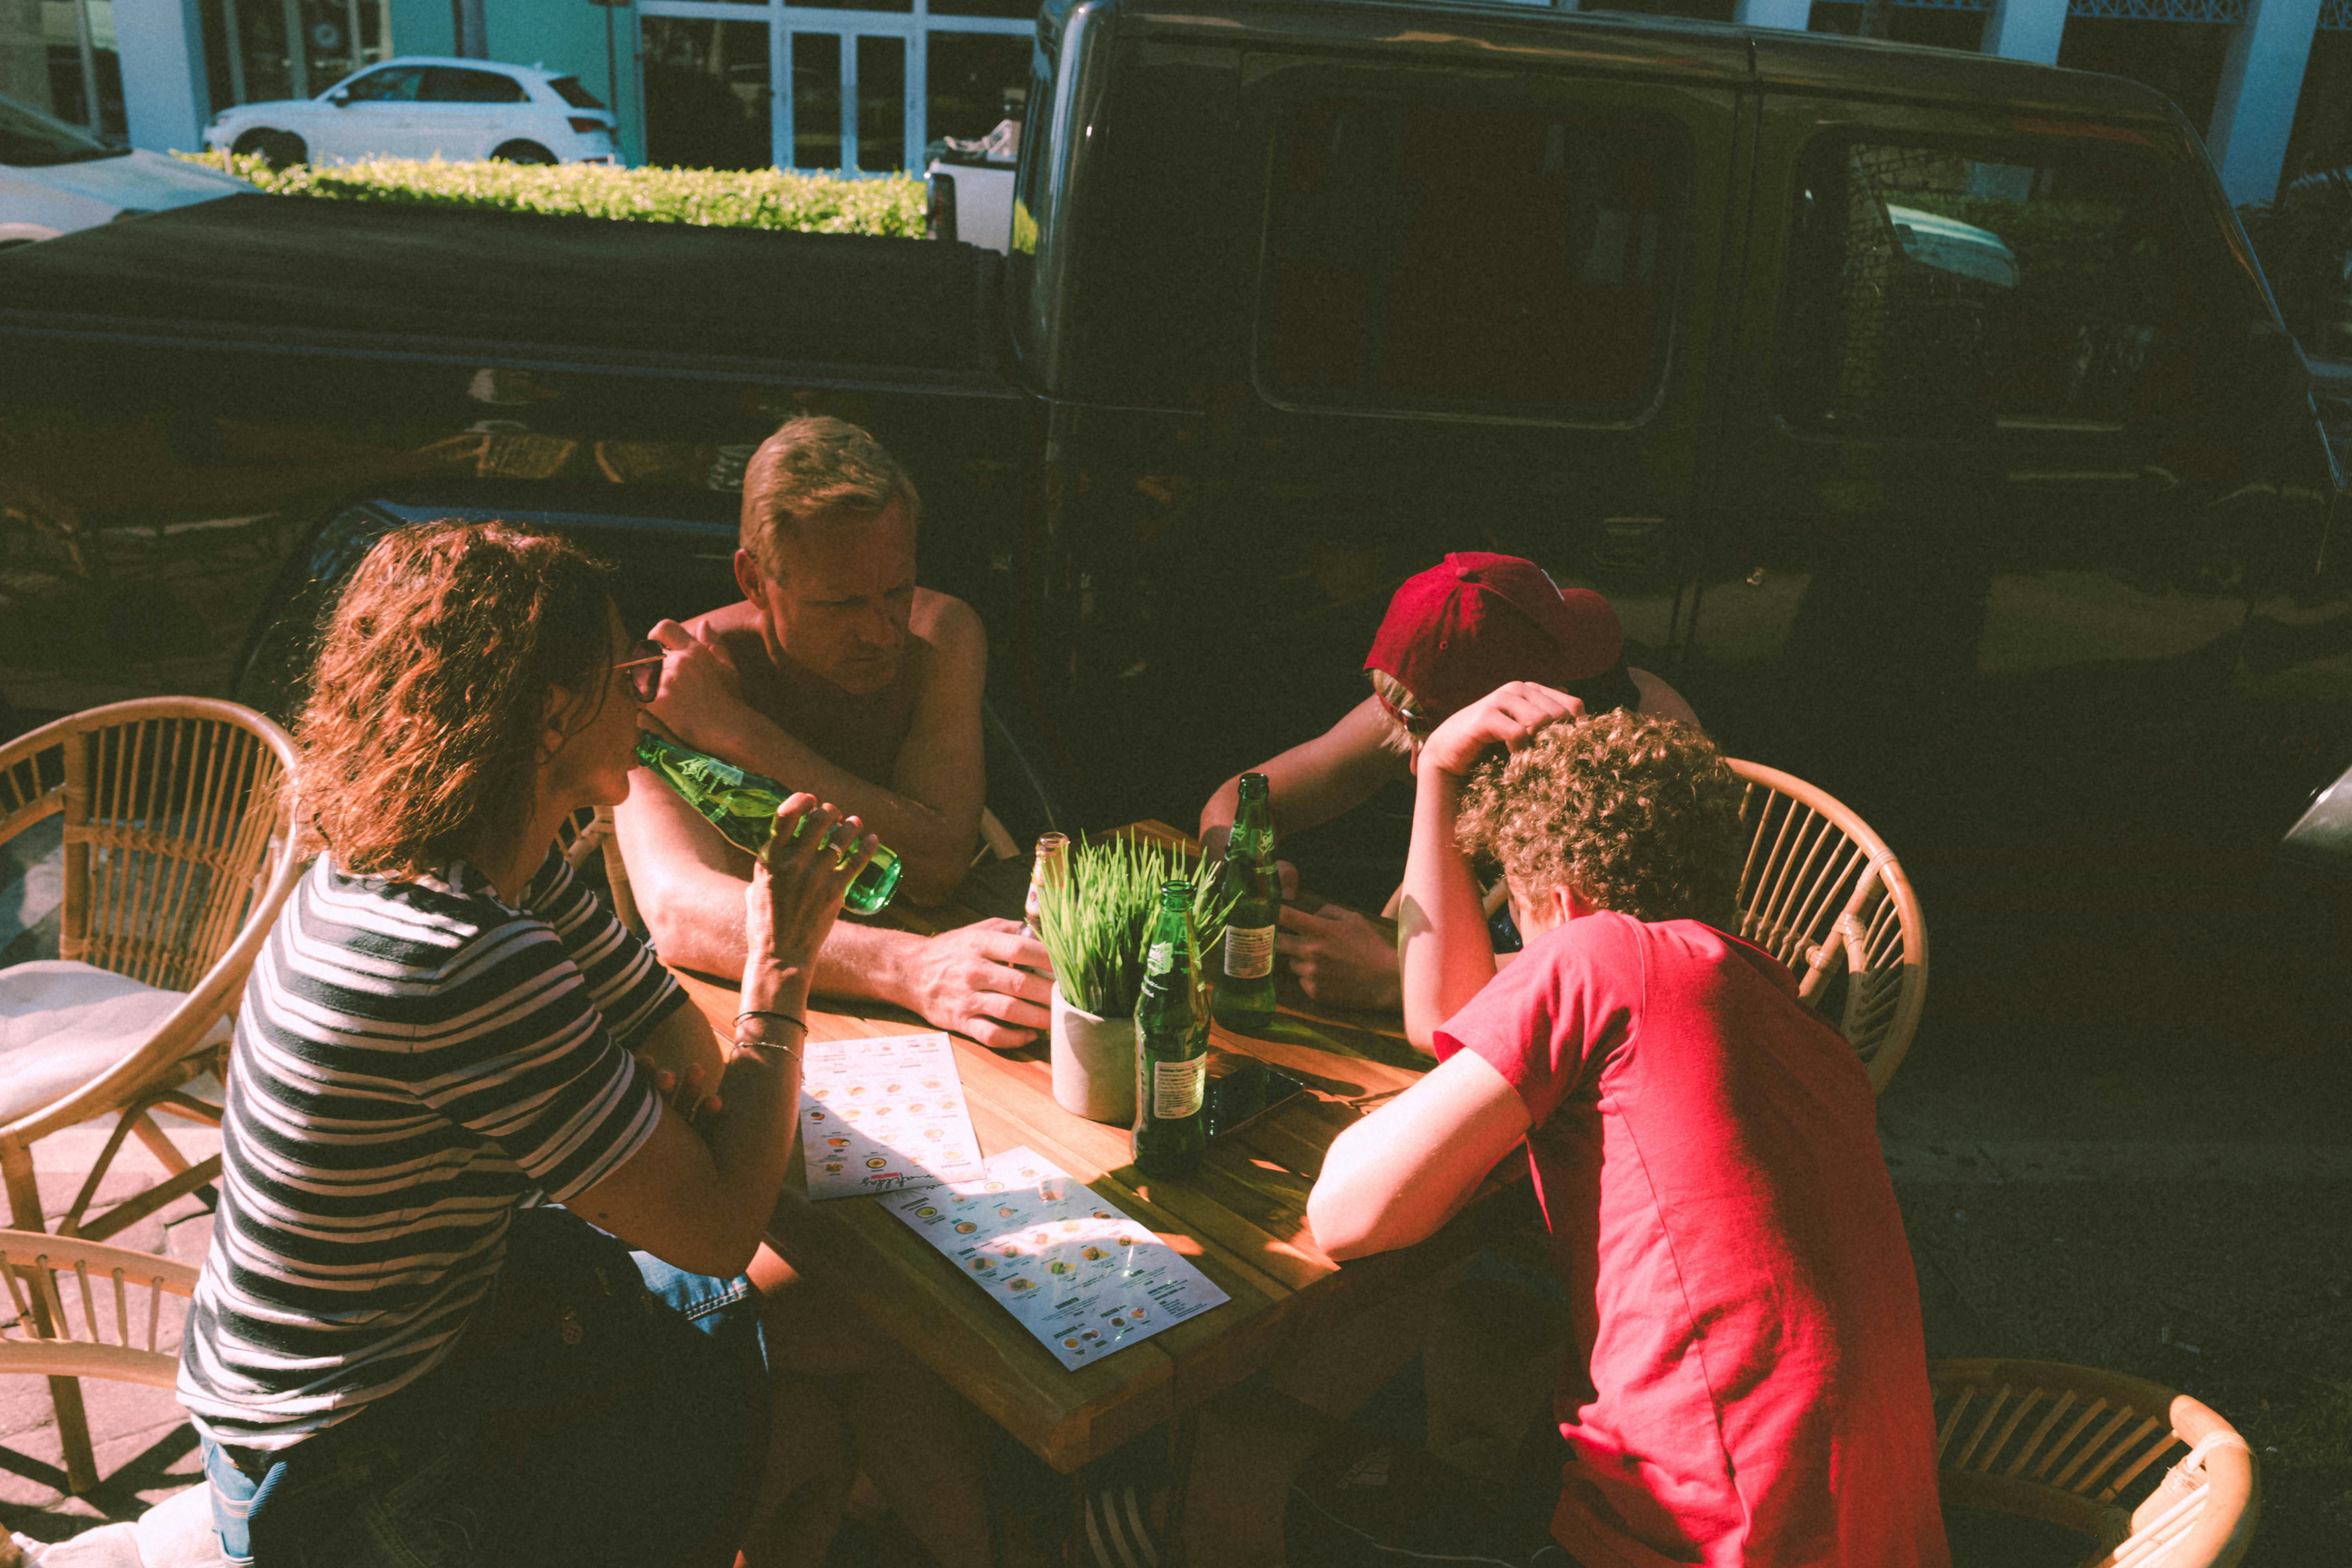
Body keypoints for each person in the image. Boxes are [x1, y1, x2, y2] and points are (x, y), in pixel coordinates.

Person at [178, 521, 988, 1568]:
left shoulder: (485, 860)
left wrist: (703, 1113)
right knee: (806, 1429)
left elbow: (687, 1052)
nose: (649, 694)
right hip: (353, 1471)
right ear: (554, 717)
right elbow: (717, 1229)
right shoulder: (463, 953)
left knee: (854, 1333)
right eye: (626, 675)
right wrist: (780, 969)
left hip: (441, 1343)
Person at [1299, 690, 1949, 1567]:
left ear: (1562, 908)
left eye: (1518, 933)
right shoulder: (1798, 1024)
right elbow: (1455, 1012)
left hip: (1705, 1538)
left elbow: (1348, 1215)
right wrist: (1442, 773)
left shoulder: (1600, 953)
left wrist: (1440, 774)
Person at [616, 416, 1054, 1049]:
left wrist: (740, 733)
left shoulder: (940, 635)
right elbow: (681, 913)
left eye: (895, 590)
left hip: (920, 989)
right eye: (841, 604)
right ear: (754, 581)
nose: (880, 633)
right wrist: (909, 969)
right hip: (750, 1013)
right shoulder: (676, 682)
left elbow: (934, 869)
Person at [1198, 553, 1698, 1012]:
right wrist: (1244, 867)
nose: (1417, 758)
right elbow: (1239, 801)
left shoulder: (1637, 745)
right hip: (1458, 985)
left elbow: (1638, 966)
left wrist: (1397, 978)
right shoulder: (1426, 711)